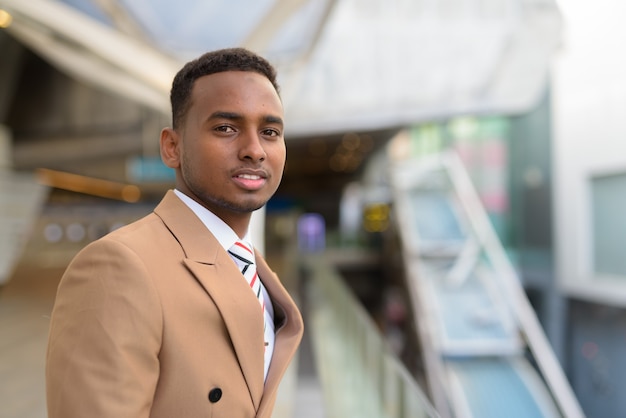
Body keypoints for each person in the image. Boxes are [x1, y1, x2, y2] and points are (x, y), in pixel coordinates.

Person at [45, 48, 304, 418]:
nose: (254, 150)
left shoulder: (253, 269)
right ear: (172, 147)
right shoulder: (118, 267)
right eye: (226, 128)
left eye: (270, 132)